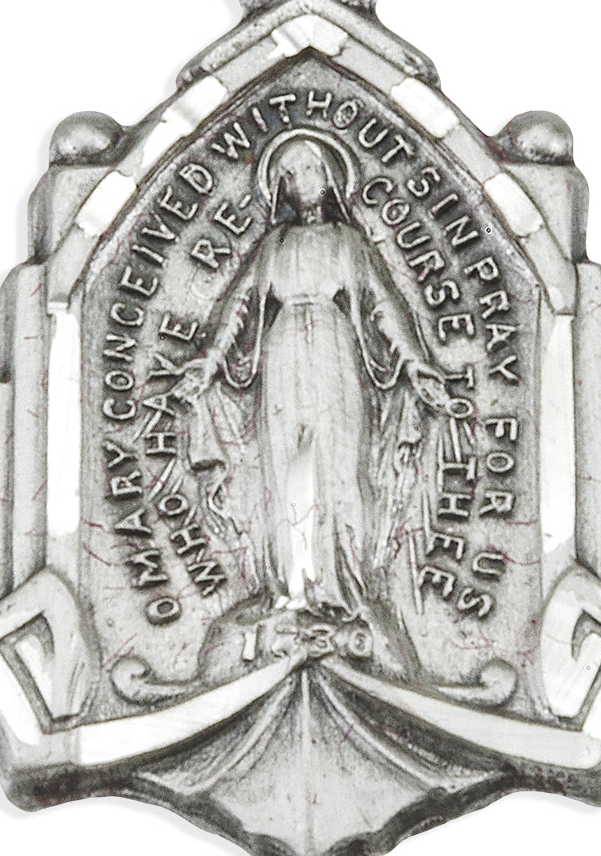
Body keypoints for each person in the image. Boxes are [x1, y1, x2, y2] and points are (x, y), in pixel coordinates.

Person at [172, 132, 449, 657]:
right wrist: (208, 362)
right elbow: (238, 307)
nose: (301, 181)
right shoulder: (272, 246)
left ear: (330, 178)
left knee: (338, 467)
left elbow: (383, 304)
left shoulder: (349, 242)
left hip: (333, 349)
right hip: (280, 357)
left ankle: (344, 592)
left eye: (310, 169)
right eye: (291, 173)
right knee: (285, 470)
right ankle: (290, 593)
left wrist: (415, 363)